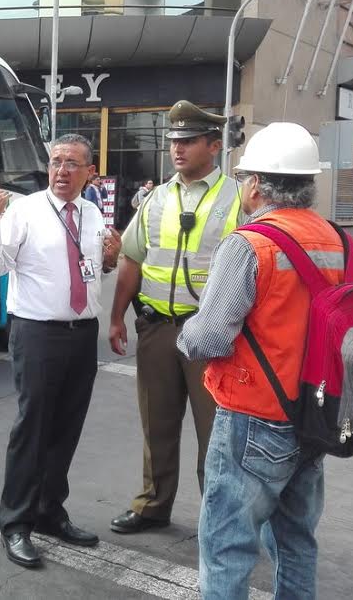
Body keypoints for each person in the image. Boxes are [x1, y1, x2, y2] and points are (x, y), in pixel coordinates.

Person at [177, 122, 353, 598]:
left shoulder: (250, 243)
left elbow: (211, 337)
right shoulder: (335, 238)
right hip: (313, 413)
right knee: (296, 540)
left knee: (226, 545)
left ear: (256, 185)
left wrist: (184, 334)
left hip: (253, 417)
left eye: (242, 180)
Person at [0, 133, 121, 568]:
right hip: (37, 332)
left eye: (73, 163)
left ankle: (50, 511)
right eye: (56, 161)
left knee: (66, 428)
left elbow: (93, 269)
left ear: (89, 172)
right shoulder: (25, 210)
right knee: (32, 428)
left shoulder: (93, 213)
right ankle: (15, 523)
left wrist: (110, 259)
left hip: (82, 333)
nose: (61, 170)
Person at [107, 100, 242, 535]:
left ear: (214, 146)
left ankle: (218, 517)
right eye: (173, 142)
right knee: (157, 423)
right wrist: (116, 319)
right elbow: (131, 259)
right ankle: (152, 505)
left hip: (211, 335)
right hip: (157, 328)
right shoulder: (155, 199)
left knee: (216, 433)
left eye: (188, 141)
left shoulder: (238, 197)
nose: (178, 149)